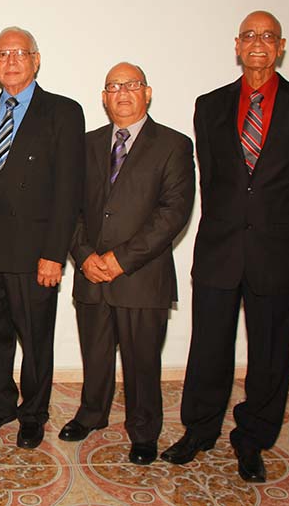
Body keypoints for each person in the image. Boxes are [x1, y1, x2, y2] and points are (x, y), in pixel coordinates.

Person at [161, 11, 289, 483]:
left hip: (280, 253)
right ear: (237, 46)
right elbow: (213, 182)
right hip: (220, 250)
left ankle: (253, 438)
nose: (259, 43)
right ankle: (199, 430)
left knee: (271, 353)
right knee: (209, 347)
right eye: (250, 35)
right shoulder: (209, 105)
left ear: (280, 47)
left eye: (268, 36)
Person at [0, 27, 85, 449]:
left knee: (35, 340)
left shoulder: (63, 112)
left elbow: (69, 191)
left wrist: (54, 254)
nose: (10, 61)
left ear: (36, 59)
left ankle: (33, 413)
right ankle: (0, 404)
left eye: (19, 53)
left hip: (34, 256)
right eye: (1, 54)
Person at [59, 62, 195, 465]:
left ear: (147, 92)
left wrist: (119, 260)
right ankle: (91, 413)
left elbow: (173, 213)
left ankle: (144, 430)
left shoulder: (173, 144)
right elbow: (70, 208)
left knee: (142, 361)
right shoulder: (85, 145)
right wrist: (83, 256)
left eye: (131, 84)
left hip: (141, 276)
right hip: (91, 274)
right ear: (103, 97)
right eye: (113, 86)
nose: (122, 92)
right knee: (96, 354)